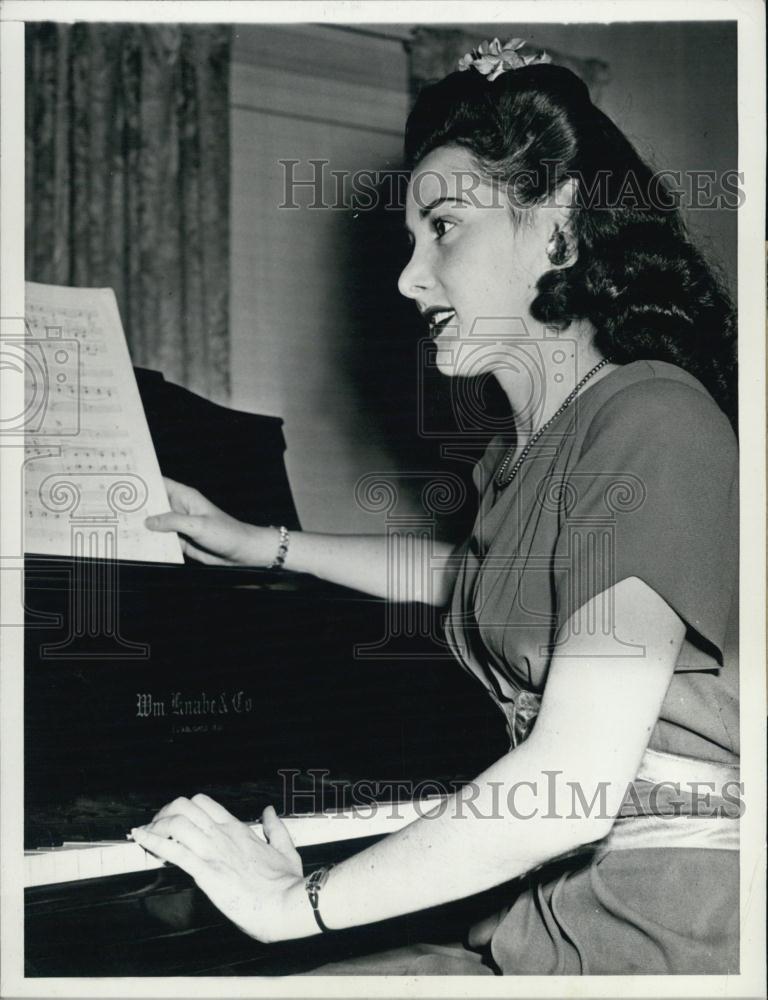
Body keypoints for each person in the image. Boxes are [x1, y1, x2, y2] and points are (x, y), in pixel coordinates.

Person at [136, 39, 739, 975]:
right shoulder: (535, 447)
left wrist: (296, 902)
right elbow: (474, 575)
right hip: (540, 923)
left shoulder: (653, 417)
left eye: (444, 228)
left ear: (561, 226)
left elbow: (573, 785)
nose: (409, 278)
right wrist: (266, 544)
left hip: (660, 936)